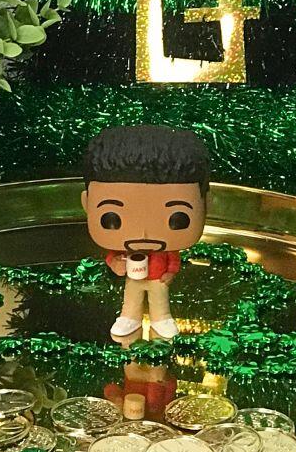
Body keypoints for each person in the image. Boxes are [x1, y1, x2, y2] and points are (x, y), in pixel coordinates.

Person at [81, 124, 210, 343]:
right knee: (131, 299)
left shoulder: (166, 251)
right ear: (87, 204)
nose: (143, 234)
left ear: (206, 206)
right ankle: (129, 317)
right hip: (134, 278)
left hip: (158, 278)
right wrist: (116, 264)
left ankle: (162, 319)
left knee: (159, 301)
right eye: (111, 219)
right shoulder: (123, 251)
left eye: (177, 219)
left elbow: (173, 259)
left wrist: (170, 273)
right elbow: (113, 258)